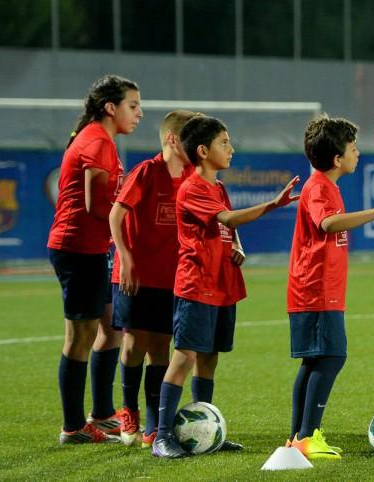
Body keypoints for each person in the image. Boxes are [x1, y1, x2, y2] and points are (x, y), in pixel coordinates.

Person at [152, 115, 301, 458]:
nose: (231, 148)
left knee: (209, 357)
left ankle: (205, 430)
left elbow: (228, 229)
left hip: (221, 283)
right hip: (197, 285)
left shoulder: (218, 188)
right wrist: (273, 204)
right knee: (184, 357)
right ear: (203, 151)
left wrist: (237, 246)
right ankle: (162, 436)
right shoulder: (192, 187)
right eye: (224, 142)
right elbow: (229, 218)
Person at [287, 115, 374, 459]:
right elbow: (328, 223)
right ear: (337, 158)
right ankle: (307, 436)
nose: (357, 153)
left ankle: (298, 437)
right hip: (315, 288)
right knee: (332, 356)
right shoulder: (319, 187)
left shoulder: (327, 186)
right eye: (353, 148)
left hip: (316, 287)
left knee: (315, 360)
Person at [47, 74, 142, 444]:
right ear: (110, 107)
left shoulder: (100, 139)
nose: (139, 113)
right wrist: (131, 222)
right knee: (80, 336)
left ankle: (102, 413)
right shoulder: (97, 141)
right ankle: (72, 427)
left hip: (92, 248)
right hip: (78, 248)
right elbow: (96, 205)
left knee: (111, 327)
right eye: (133, 106)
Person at [108, 110, 198, 448]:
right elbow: (116, 215)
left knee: (161, 346)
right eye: (191, 138)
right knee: (134, 344)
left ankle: (154, 422)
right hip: (135, 275)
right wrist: (126, 258)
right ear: (173, 140)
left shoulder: (192, 176)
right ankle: (128, 410)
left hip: (172, 277)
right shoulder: (147, 172)